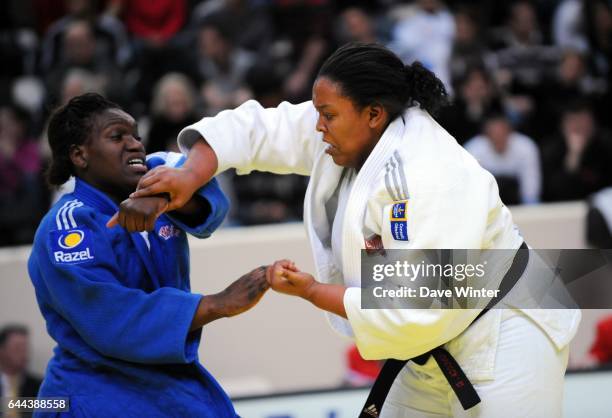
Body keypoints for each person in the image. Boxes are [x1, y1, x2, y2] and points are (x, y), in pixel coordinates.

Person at [126, 43, 580, 417]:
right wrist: (191, 174)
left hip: (508, 329)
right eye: (318, 112)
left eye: (327, 115)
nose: (317, 126)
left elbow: (418, 306)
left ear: (373, 114)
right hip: (432, 342)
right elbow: (258, 129)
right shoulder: (351, 126)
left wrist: (310, 291)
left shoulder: (425, 174)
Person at [27, 93, 269, 417]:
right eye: (117, 136)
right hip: (96, 392)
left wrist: (165, 199)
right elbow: (111, 317)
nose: (134, 144)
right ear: (79, 155)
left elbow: (212, 203)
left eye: (136, 136)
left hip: (165, 385)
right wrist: (215, 304)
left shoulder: (156, 177)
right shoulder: (68, 225)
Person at [0, 325, 43, 417]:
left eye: (25, 348)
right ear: (2, 350)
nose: (24, 354)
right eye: (17, 348)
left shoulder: (40, 386)